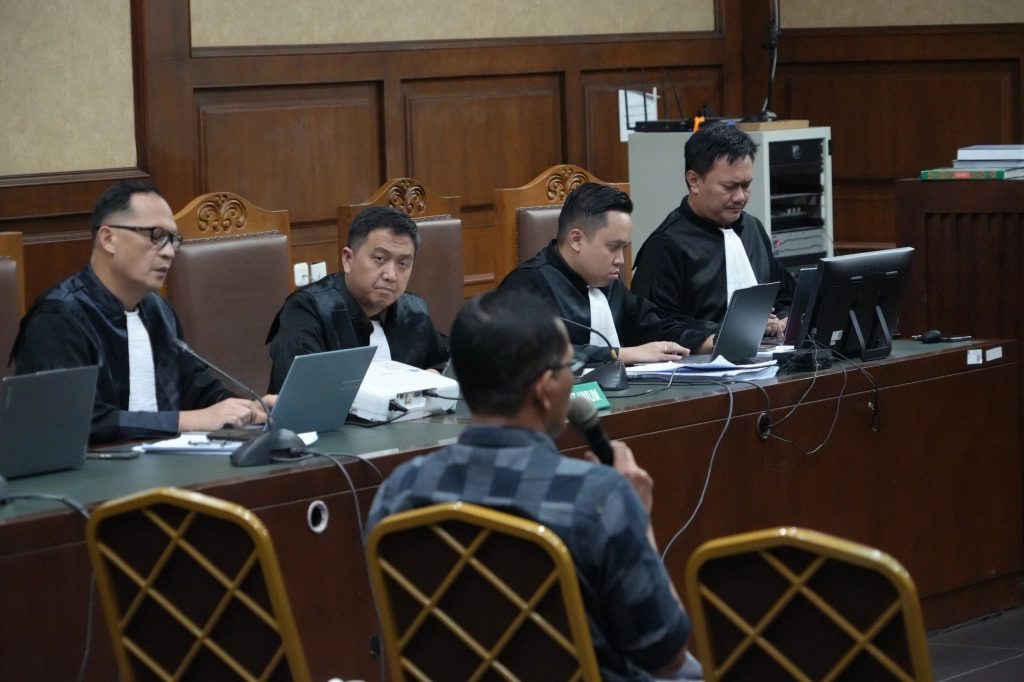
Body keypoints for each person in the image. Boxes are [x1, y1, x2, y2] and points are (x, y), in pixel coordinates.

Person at [366, 288, 693, 681]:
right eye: (570, 365)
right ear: (544, 388)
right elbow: (665, 654)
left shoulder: (399, 492)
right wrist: (641, 522)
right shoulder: (598, 498)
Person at [11, 181, 273, 444]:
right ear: (108, 239)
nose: (169, 252)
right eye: (156, 236)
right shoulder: (58, 318)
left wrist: (248, 410)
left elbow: (198, 390)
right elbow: (73, 421)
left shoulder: (159, 311)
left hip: (164, 460)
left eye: (172, 240)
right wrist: (186, 421)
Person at [499, 182, 714, 364]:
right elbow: (530, 353)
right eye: (613, 247)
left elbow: (653, 326)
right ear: (576, 239)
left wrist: (707, 342)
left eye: (624, 248)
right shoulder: (526, 284)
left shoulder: (607, 282)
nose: (620, 260)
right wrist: (622, 354)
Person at [631, 123, 795, 337]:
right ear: (694, 181)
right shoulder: (665, 246)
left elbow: (784, 297)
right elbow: (655, 325)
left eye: (746, 185)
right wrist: (731, 331)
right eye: (729, 187)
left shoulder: (753, 228)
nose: (740, 197)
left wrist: (784, 318)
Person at [265, 206, 449, 393]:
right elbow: (302, 390)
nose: (391, 275)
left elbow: (449, 360)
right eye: (380, 258)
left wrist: (435, 374)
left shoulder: (414, 311)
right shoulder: (307, 310)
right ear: (348, 259)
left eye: (403, 263)